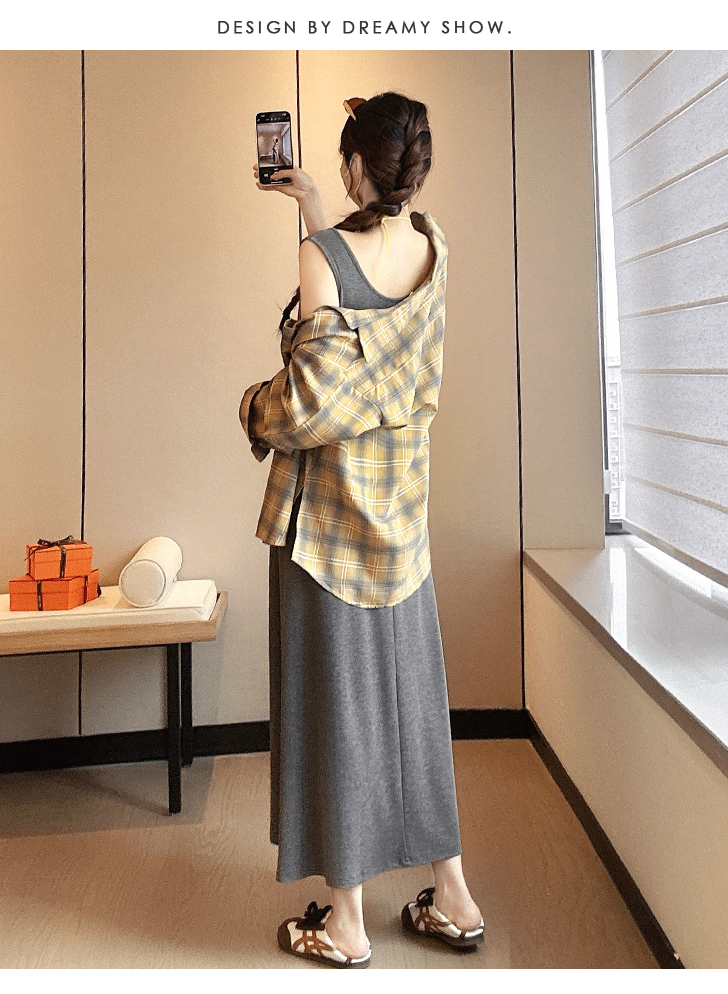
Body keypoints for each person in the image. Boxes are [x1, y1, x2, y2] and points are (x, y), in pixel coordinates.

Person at [241, 92, 484, 969]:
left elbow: (311, 401)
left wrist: (252, 407)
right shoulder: (434, 247)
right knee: (413, 708)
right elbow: (370, 325)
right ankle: (453, 896)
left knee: (331, 714)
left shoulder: (321, 258)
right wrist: (314, 205)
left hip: (329, 527)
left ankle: (346, 923)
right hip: (401, 518)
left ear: (354, 167)